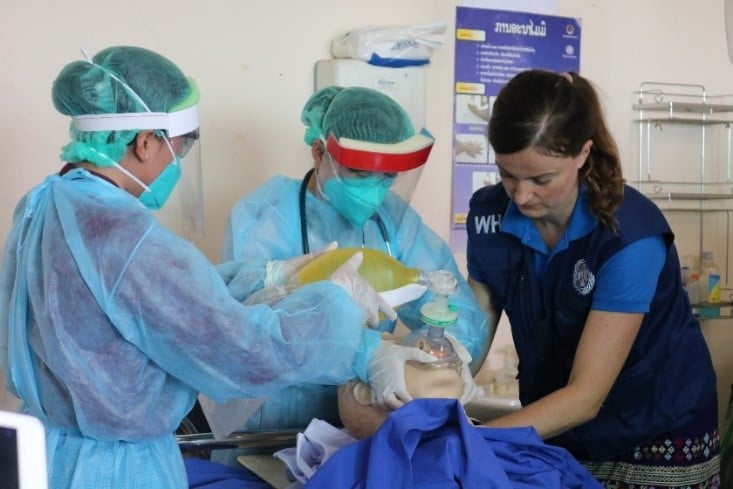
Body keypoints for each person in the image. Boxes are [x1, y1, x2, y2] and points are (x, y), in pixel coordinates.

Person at [0, 46, 437, 489]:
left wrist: (270, 277)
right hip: (116, 471)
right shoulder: (129, 241)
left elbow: (168, 302)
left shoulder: (46, 204)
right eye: (181, 145)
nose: (179, 160)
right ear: (146, 142)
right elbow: (247, 352)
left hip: (47, 455)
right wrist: (342, 314)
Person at [466, 69, 720, 487]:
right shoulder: (489, 216)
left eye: (541, 180)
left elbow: (585, 396)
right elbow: (475, 325)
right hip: (558, 426)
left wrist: (472, 440)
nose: (521, 195)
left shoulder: (629, 236)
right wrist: (438, 383)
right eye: (507, 174)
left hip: (655, 429)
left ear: (583, 153)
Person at [206, 86, 489, 459]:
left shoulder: (393, 222)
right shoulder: (265, 217)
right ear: (318, 152)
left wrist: (448, 347)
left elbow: (451, 301)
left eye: (386, 176)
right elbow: (254, 330)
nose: (375, 190)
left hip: (359, 435)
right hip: (267, 432)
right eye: (359, 172)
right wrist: (366, 354)